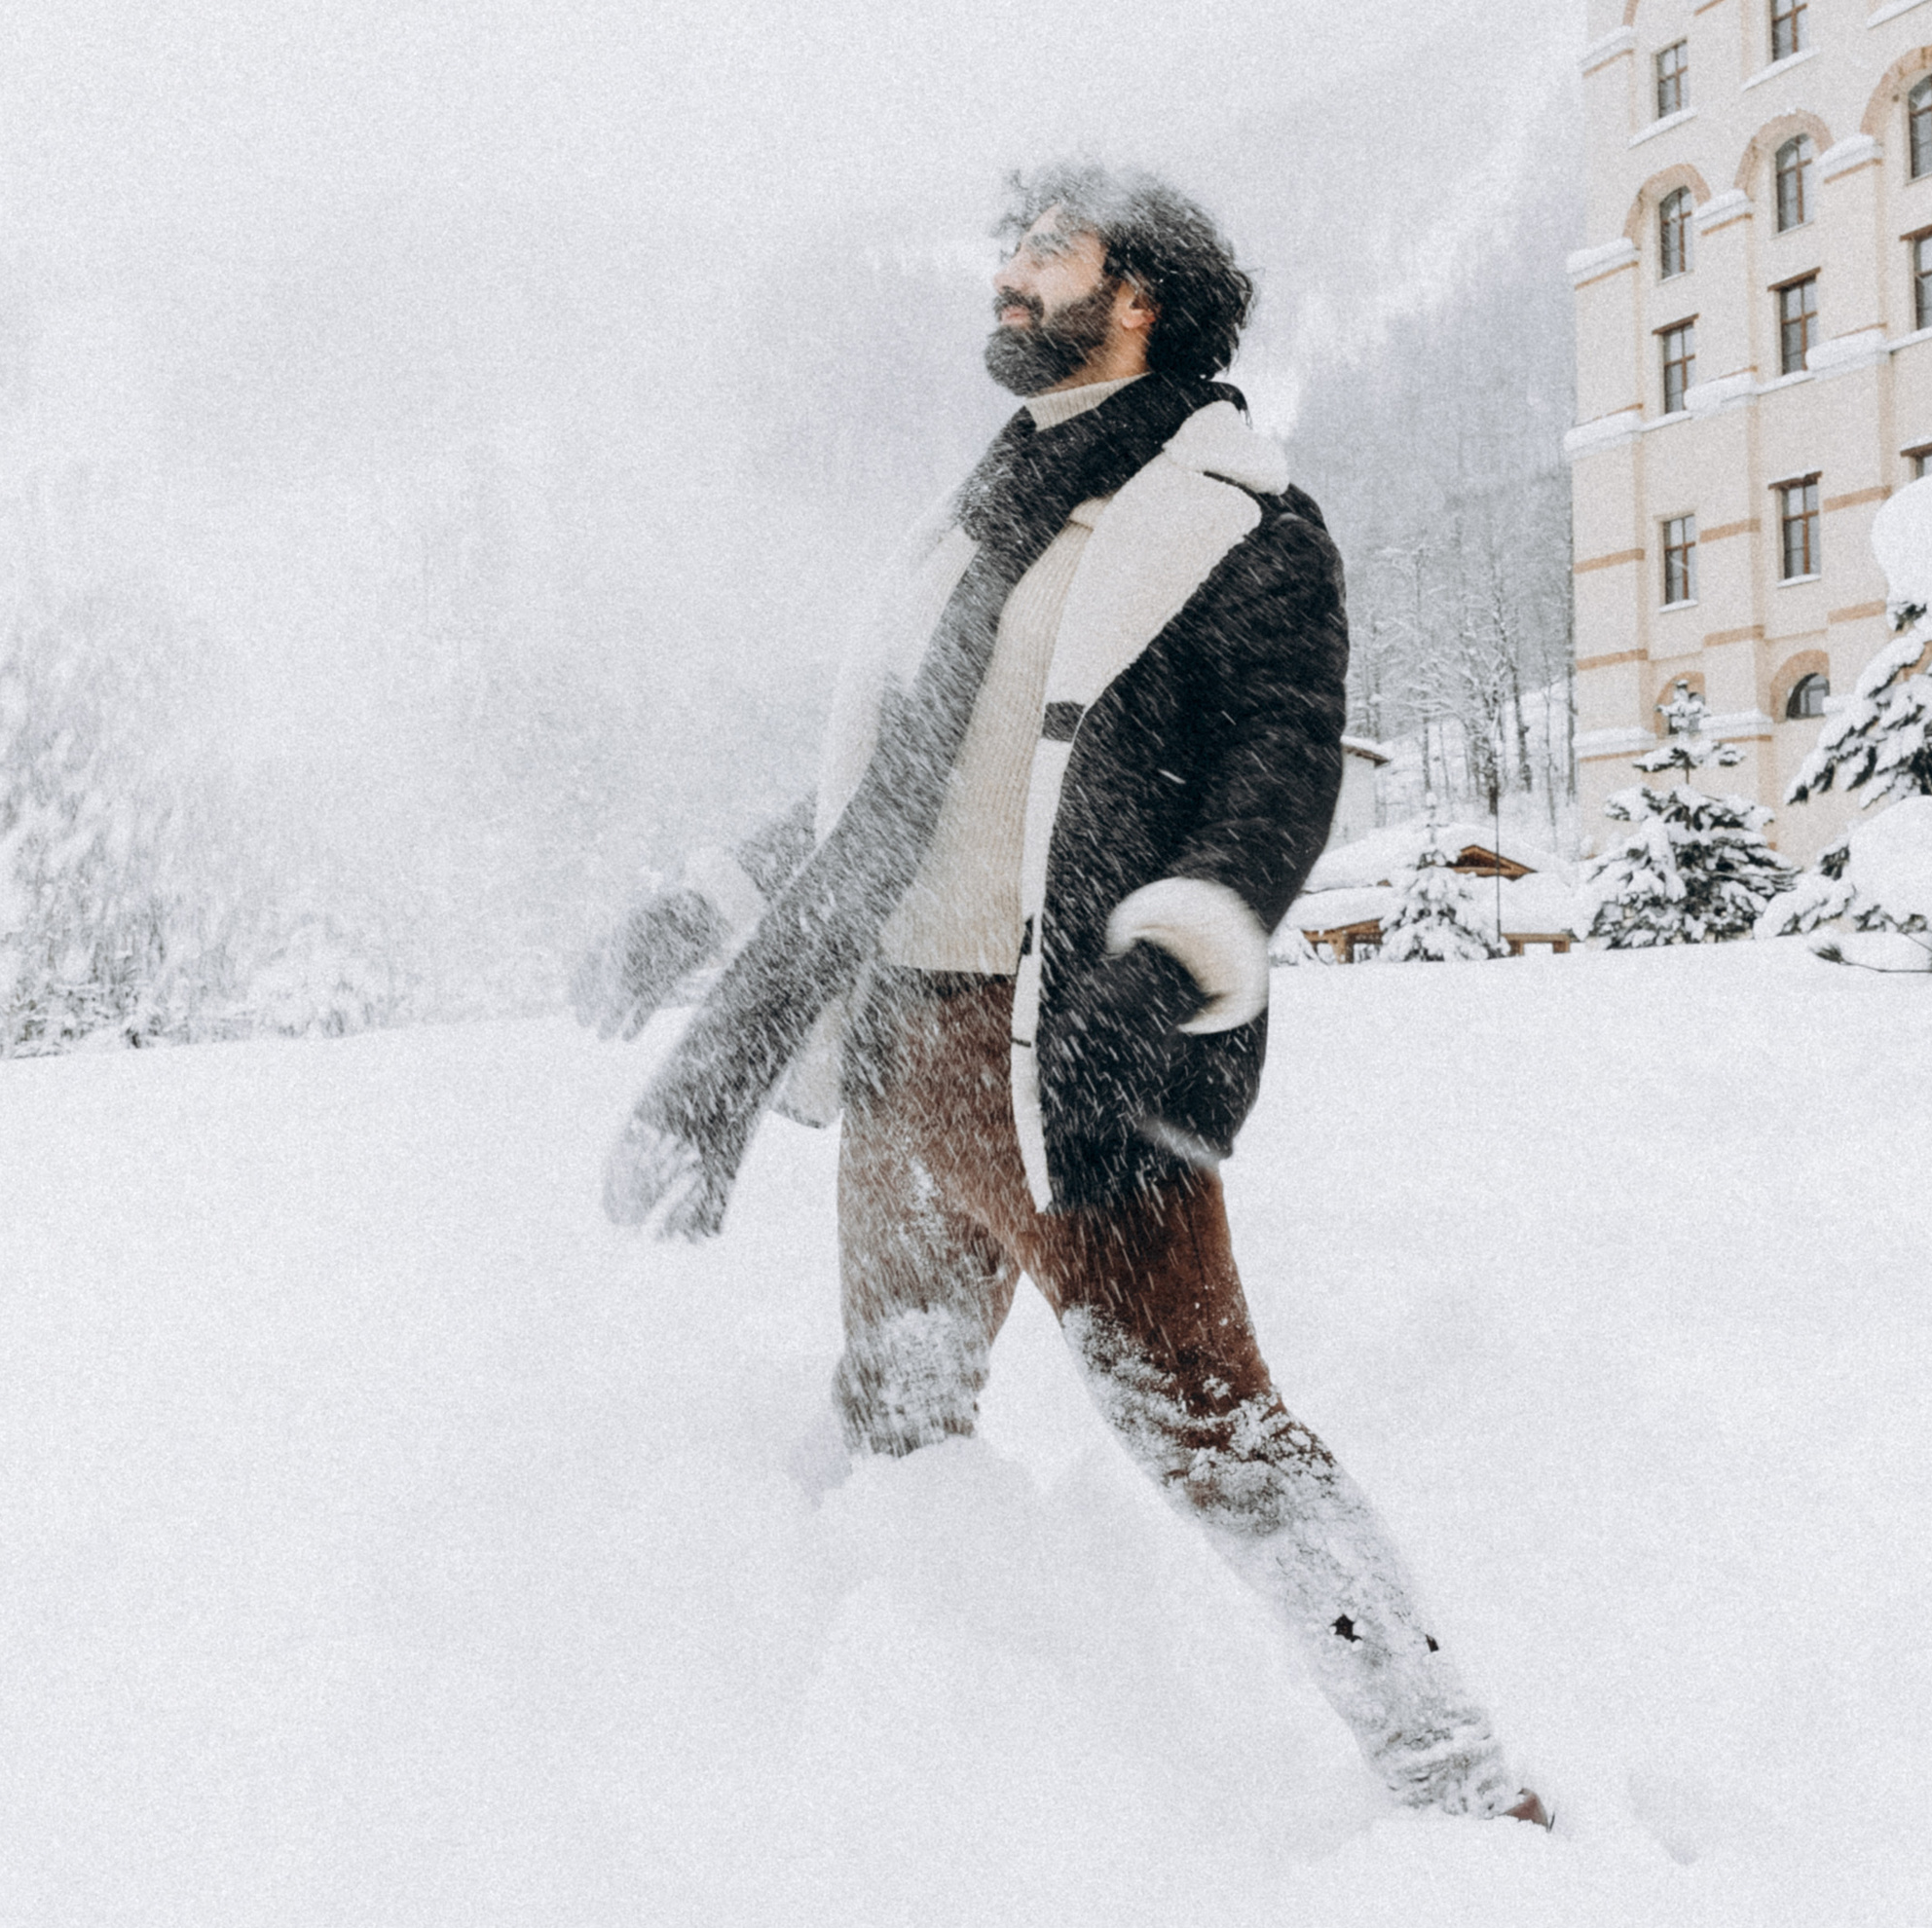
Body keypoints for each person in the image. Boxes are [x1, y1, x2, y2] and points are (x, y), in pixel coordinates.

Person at [587, 167, 1544, 1826]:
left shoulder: (1235, 523)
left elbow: (1274, 775)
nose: (1008, 278)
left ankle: (1454, 1774)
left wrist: (1168, 963)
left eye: (1048, 251)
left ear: (1144, 294)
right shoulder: (990, 524)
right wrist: (702, 907)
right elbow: (886, 794)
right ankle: (909, 1757)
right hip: (902, 1048)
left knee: (1207, 1426)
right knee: (897, 1402)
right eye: (1006, 251)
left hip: (1072, 1063)